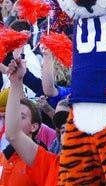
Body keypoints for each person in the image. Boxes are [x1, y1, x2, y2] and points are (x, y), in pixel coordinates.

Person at [5, 57, 59, 186]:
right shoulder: (51, 164)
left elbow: (49, 89)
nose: (66, 130)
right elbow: (13, 135)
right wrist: (16, 82)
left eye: (22, 117)